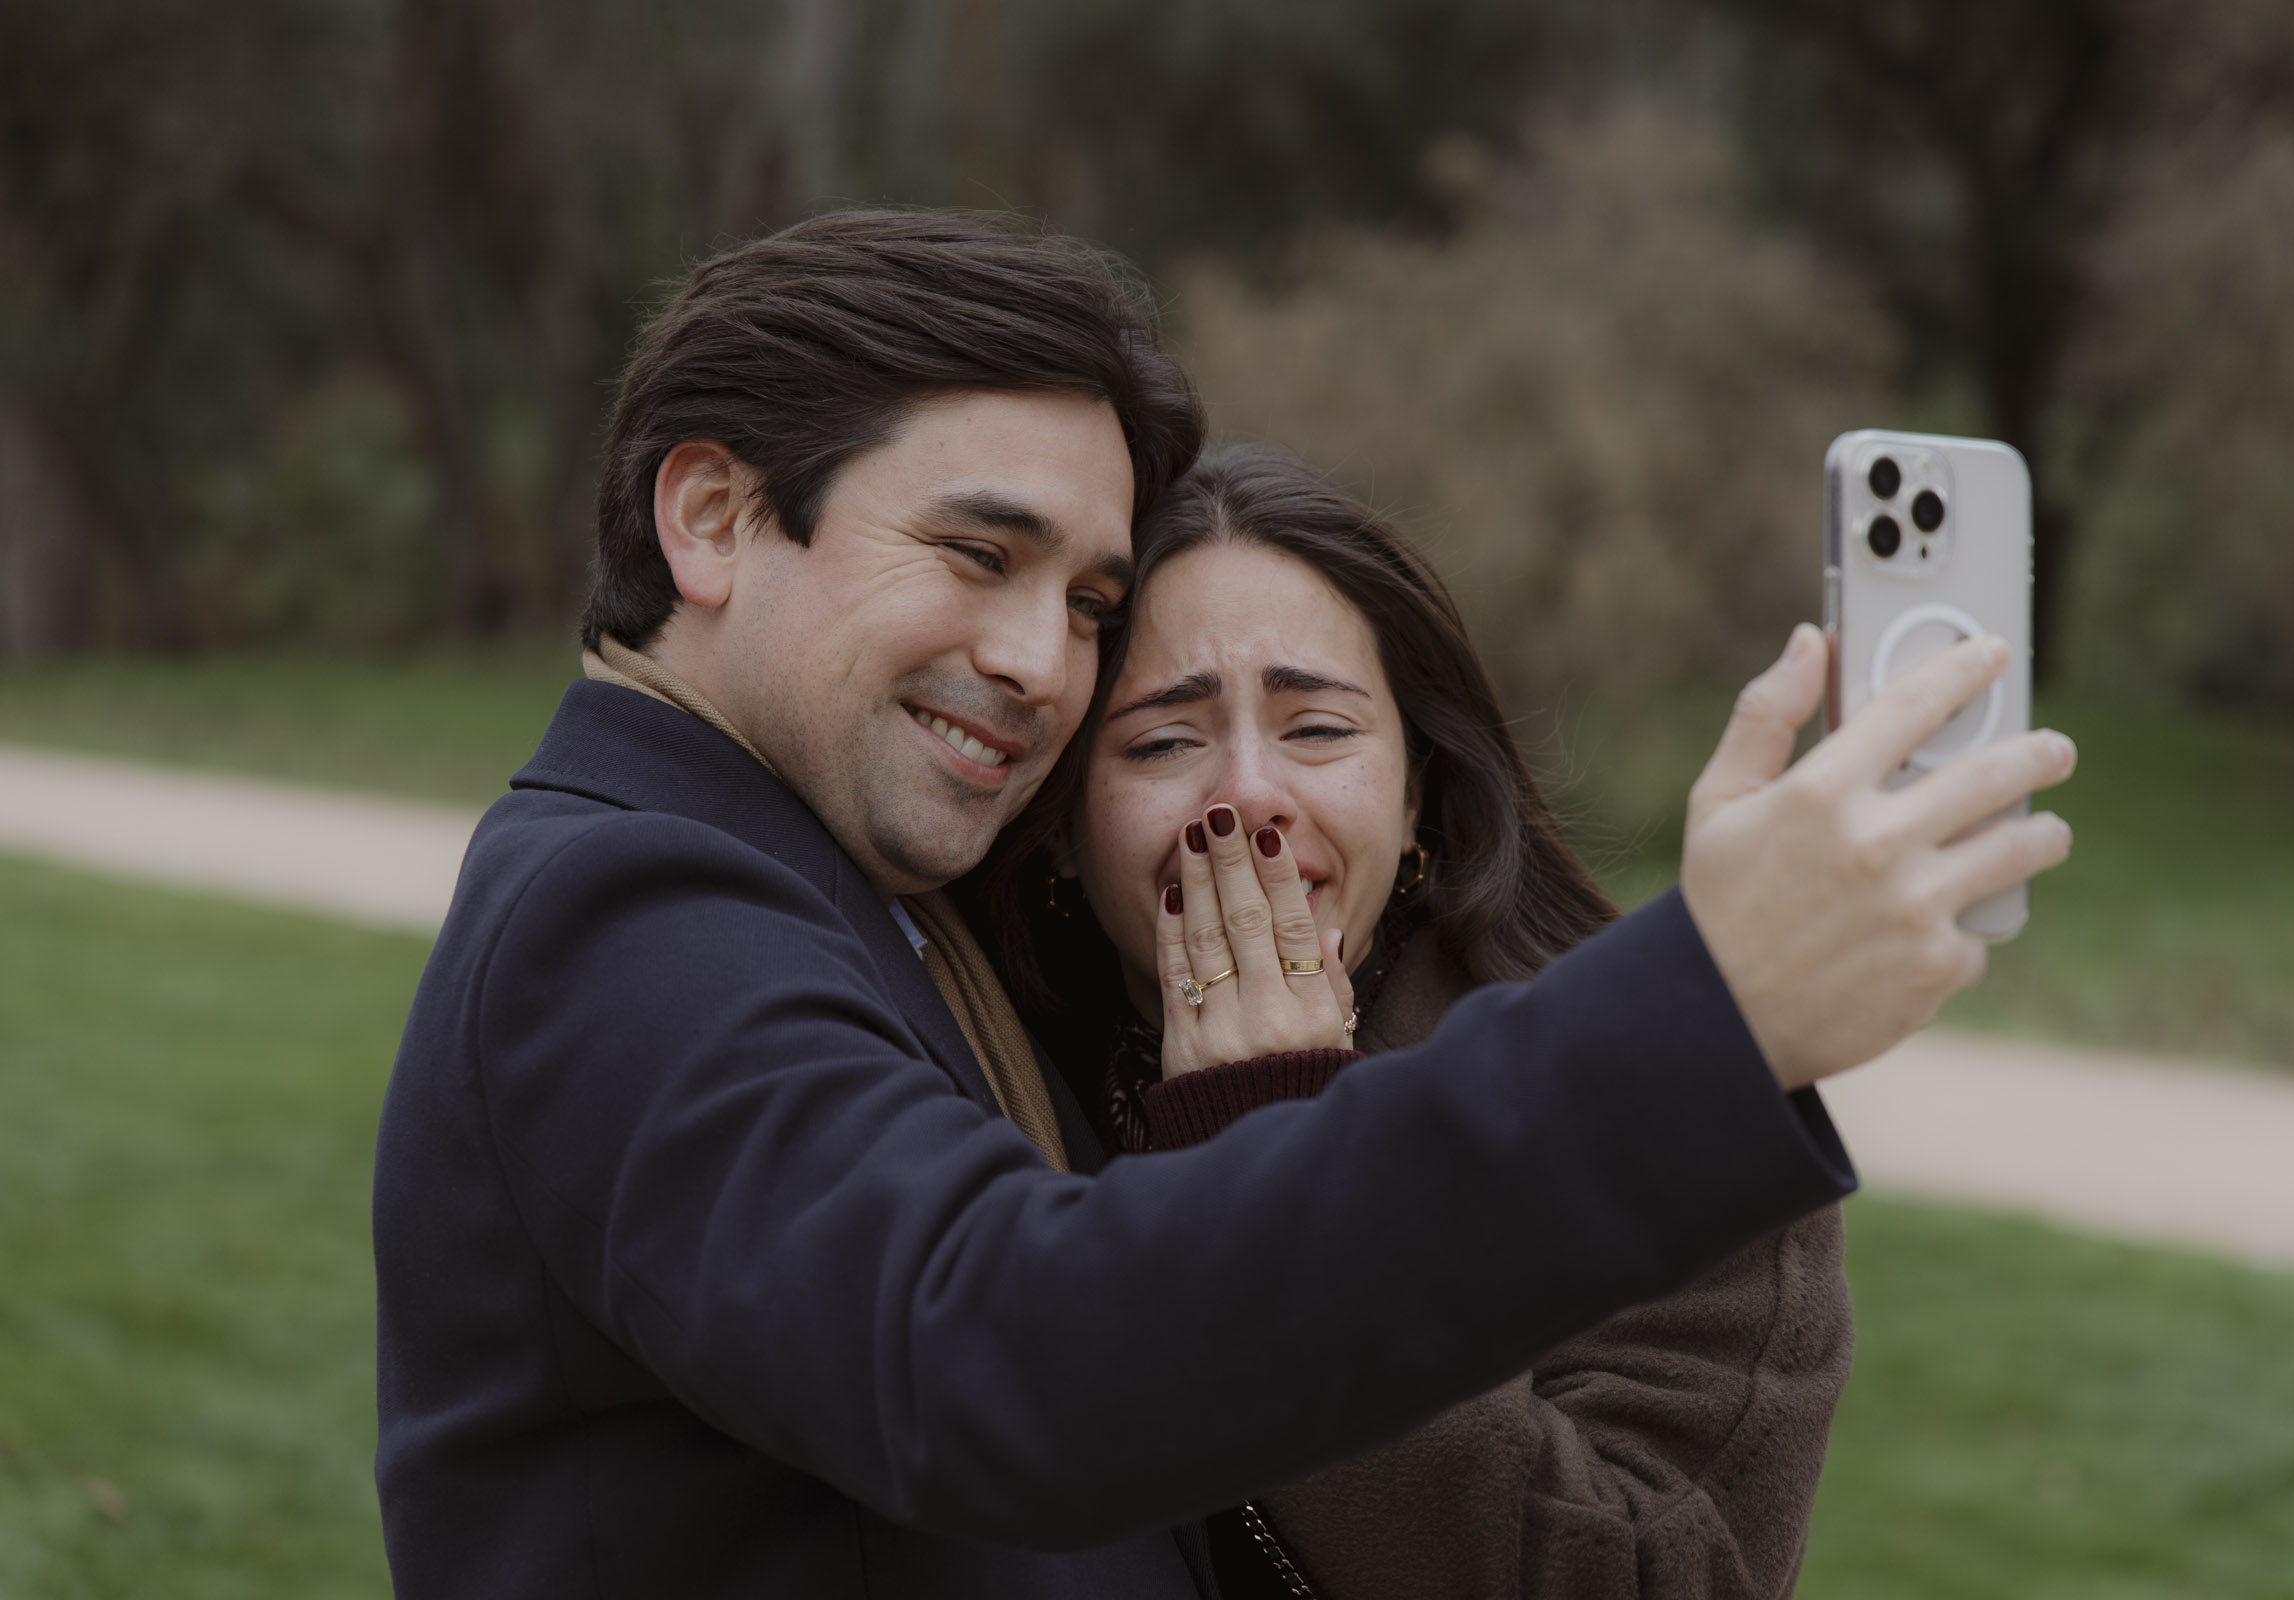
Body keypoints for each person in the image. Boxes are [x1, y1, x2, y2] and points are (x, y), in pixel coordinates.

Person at [373, 209, 2076, 1599]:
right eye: (978, 555)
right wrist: (1706, 1015)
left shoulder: (853, 897)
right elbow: (1002, 1355)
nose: (1039, 662)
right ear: (714, 515)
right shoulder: (636, 910)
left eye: (1088, 598)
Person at [981, 445, 1852, 1598]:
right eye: (1162, 741)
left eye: (1319, 728)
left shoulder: (1658, 1119)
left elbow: (1646, 1577)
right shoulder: (964, 1073)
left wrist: (1273, 1150)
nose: (1247, 794)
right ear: (1063, 824)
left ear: (1416, 789)